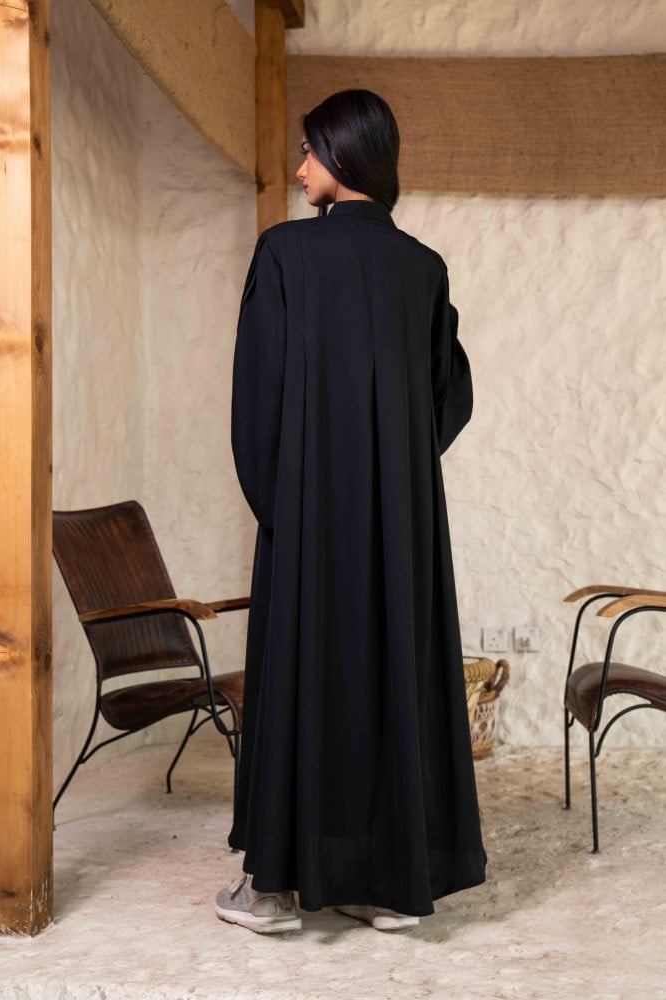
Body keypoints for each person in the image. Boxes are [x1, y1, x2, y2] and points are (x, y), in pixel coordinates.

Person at [215, 89, 487, 935]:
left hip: (304, 521)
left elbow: (255, 401)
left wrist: (283, 510)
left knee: (302, 679)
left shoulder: (285, 253)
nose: (299, 168)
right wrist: (393, 472)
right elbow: (449, 398)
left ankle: (270, 893)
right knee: (388, 678)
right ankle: (385, 885)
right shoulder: (422, 269)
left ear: (341, 155)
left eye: (308, 151)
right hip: (400, 526)